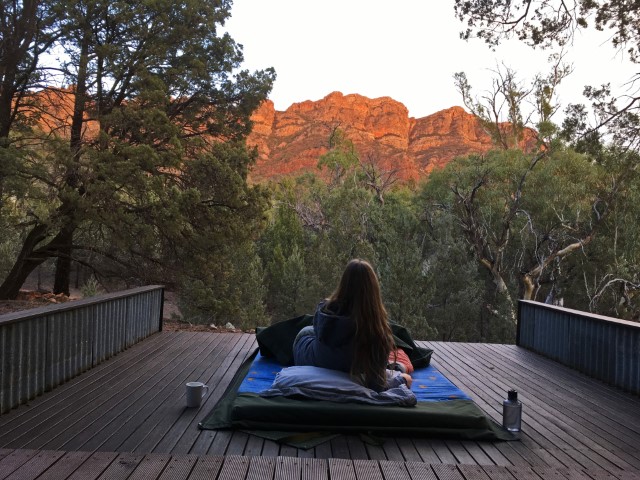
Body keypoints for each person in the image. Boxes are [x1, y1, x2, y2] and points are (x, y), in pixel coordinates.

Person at [293, 259, 412, 391]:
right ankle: (394, 368)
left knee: (305, 331)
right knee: (309, 331)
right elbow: (377, 385)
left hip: (319, 360)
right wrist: (403, 379)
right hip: (351, 365)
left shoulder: (326, 309)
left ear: (344, 284)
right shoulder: (377, 330)